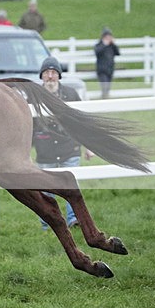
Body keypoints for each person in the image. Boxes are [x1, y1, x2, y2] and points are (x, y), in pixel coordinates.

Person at [32, 56, 93, 230]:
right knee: (44, 190)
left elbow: (81, 122)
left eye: (53, 72)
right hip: (45, 150)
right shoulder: (33, 97)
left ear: (59, 75)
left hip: (69, 148)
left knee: (71, 186)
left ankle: (74, 220)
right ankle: (47, 223)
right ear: (41, 76)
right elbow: (28, 126)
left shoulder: (71, 95)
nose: (50, 76)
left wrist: (88, 146)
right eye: (46, 73)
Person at [95, 27, 120, 99]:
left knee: (108, 86)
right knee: (104, 85)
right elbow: (97, 52)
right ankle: (104, 97)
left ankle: (106, 97)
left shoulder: (112, 46)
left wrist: (114, 44)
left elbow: (118, 53)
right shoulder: (99, 45)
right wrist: (104, 44)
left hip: (110, 68)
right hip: (102, 69)